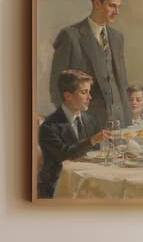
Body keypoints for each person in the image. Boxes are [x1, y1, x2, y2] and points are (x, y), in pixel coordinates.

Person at [49, 0, 131, 129]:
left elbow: (122, 84)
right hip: (86, 124)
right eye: (112, 6)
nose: (117, 12)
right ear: (97, 3)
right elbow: (56, 86)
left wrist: (127, 120)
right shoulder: (70, 35)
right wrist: (71, 123)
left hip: (119, 122)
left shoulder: (117, 38)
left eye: (119, 7)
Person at [37, 69, 111, 199]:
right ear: (67, 96)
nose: (90, 97)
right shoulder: (49, 126)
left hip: (88, 182)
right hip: (59, 188)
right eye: (84, 92)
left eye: (89, 92)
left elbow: (98, 153)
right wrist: (92, 140)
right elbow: (66, 154)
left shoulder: (90, 120)